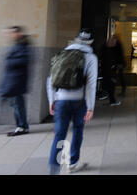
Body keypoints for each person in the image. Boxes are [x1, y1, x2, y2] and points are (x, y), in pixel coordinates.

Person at [47, 28, 98, 174]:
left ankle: (54, 168)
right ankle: (73, 162)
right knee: (77, 130)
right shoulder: (91, 58)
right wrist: (90, 107)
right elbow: (91, 85)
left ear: (76, 39)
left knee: (59, 134)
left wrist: (52, 100)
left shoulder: (63, 53)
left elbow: (50, 79)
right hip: (79, 101)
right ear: (91, 42)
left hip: (61, 100)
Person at [0, 26, 31, 137]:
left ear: (18, 33)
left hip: (17, 81)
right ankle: (21, 126)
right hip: (14, 81)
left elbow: (24, 60)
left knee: (18, 105)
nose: (10, 35)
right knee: (16, 105)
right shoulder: (19, 45)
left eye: (12, 33)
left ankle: (22, 127)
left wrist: (10, 61)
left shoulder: (23, 45)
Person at [99, 35, 123, 106]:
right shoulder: (106, 50)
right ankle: (111, 100)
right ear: (110, 42)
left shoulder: (107, 49)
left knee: (110, 86)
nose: (115, 44)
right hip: (109, 71)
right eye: (114, 42)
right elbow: (108, 61)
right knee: (111, 85)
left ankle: (111, 99)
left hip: (109, 71)